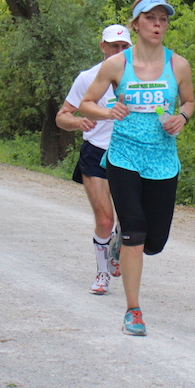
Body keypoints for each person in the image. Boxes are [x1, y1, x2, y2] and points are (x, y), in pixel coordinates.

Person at [79, 0, 195, 336]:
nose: (158, 24)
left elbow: (189, 101)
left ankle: (120, 243)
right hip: (124, 157)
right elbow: (86, 104)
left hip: (162, 160)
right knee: (135, 230)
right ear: (136, 24)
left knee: (154, 242)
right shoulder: (117, 65)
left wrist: (182, 118)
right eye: (150, 18)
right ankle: (133, 311)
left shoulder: (179, 65)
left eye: (163, 19)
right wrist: (107, 111)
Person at [56, 24, 132, 295]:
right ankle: (102, 274)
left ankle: (117, 247)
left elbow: (158, 108)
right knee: (104, 221)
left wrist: (168, 120)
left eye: (124, 47)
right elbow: (62, 116)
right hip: (97, 153)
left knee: (132, 222)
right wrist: (78, 122)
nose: (118, 51)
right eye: (113, 46)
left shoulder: (139, 79)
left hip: (130, 154)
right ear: (103, 47)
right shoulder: (88, 78)